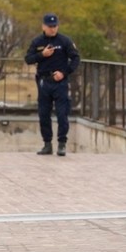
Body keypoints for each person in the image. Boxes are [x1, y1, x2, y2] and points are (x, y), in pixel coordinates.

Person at [24, 13, 80, 156]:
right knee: (44, 114)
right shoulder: (37, 42)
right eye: (50, 26)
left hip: (60, 82)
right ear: (43, 26)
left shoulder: (65, 41)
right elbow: (28, 59)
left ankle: (62, 143)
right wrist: (42, 55)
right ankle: (47, 144)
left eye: (55, 26)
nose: (52, 29)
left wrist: (64, 72)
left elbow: (75, 58)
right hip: (44, 82)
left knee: (62, 114)